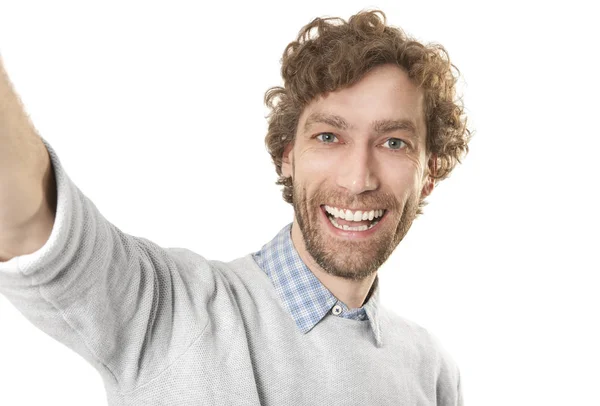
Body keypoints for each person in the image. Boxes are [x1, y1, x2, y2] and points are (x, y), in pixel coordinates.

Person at [0, 9, 471, 406]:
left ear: (428, 173)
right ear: (287, 156)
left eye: (393, 142)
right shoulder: (171, 310)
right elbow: (27, 221)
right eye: (329, 136)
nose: (358, 178)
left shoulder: (432, 371)